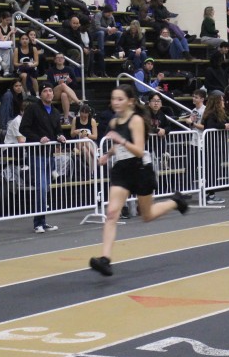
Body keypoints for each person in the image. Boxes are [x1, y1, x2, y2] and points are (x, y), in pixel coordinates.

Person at [89, 84, 187, 276]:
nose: (115, 102)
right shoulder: (114, 122)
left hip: (140, 168)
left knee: (147, 215)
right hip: (122, 170)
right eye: (113, 99)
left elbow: (139, 150)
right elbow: (118, 145)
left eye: (120, 99)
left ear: (130, 101)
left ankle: (175, 202)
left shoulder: (136, 121)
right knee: (112, 213)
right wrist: (107, 155)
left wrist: (121, 140)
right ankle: (105, 259)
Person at [19, 83, 65, 233]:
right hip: (36, 153)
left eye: (50, 91)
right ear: (41, 94)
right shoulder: (33, 109)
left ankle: (42, 221)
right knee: (42, 188)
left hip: (49, 154)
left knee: (45, 188)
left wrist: (60, 136)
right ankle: (38, 223)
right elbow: (23, 128)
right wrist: (38, 138)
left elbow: (57, 130)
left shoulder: (55, 112)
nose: (48, 93)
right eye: (45, 91)